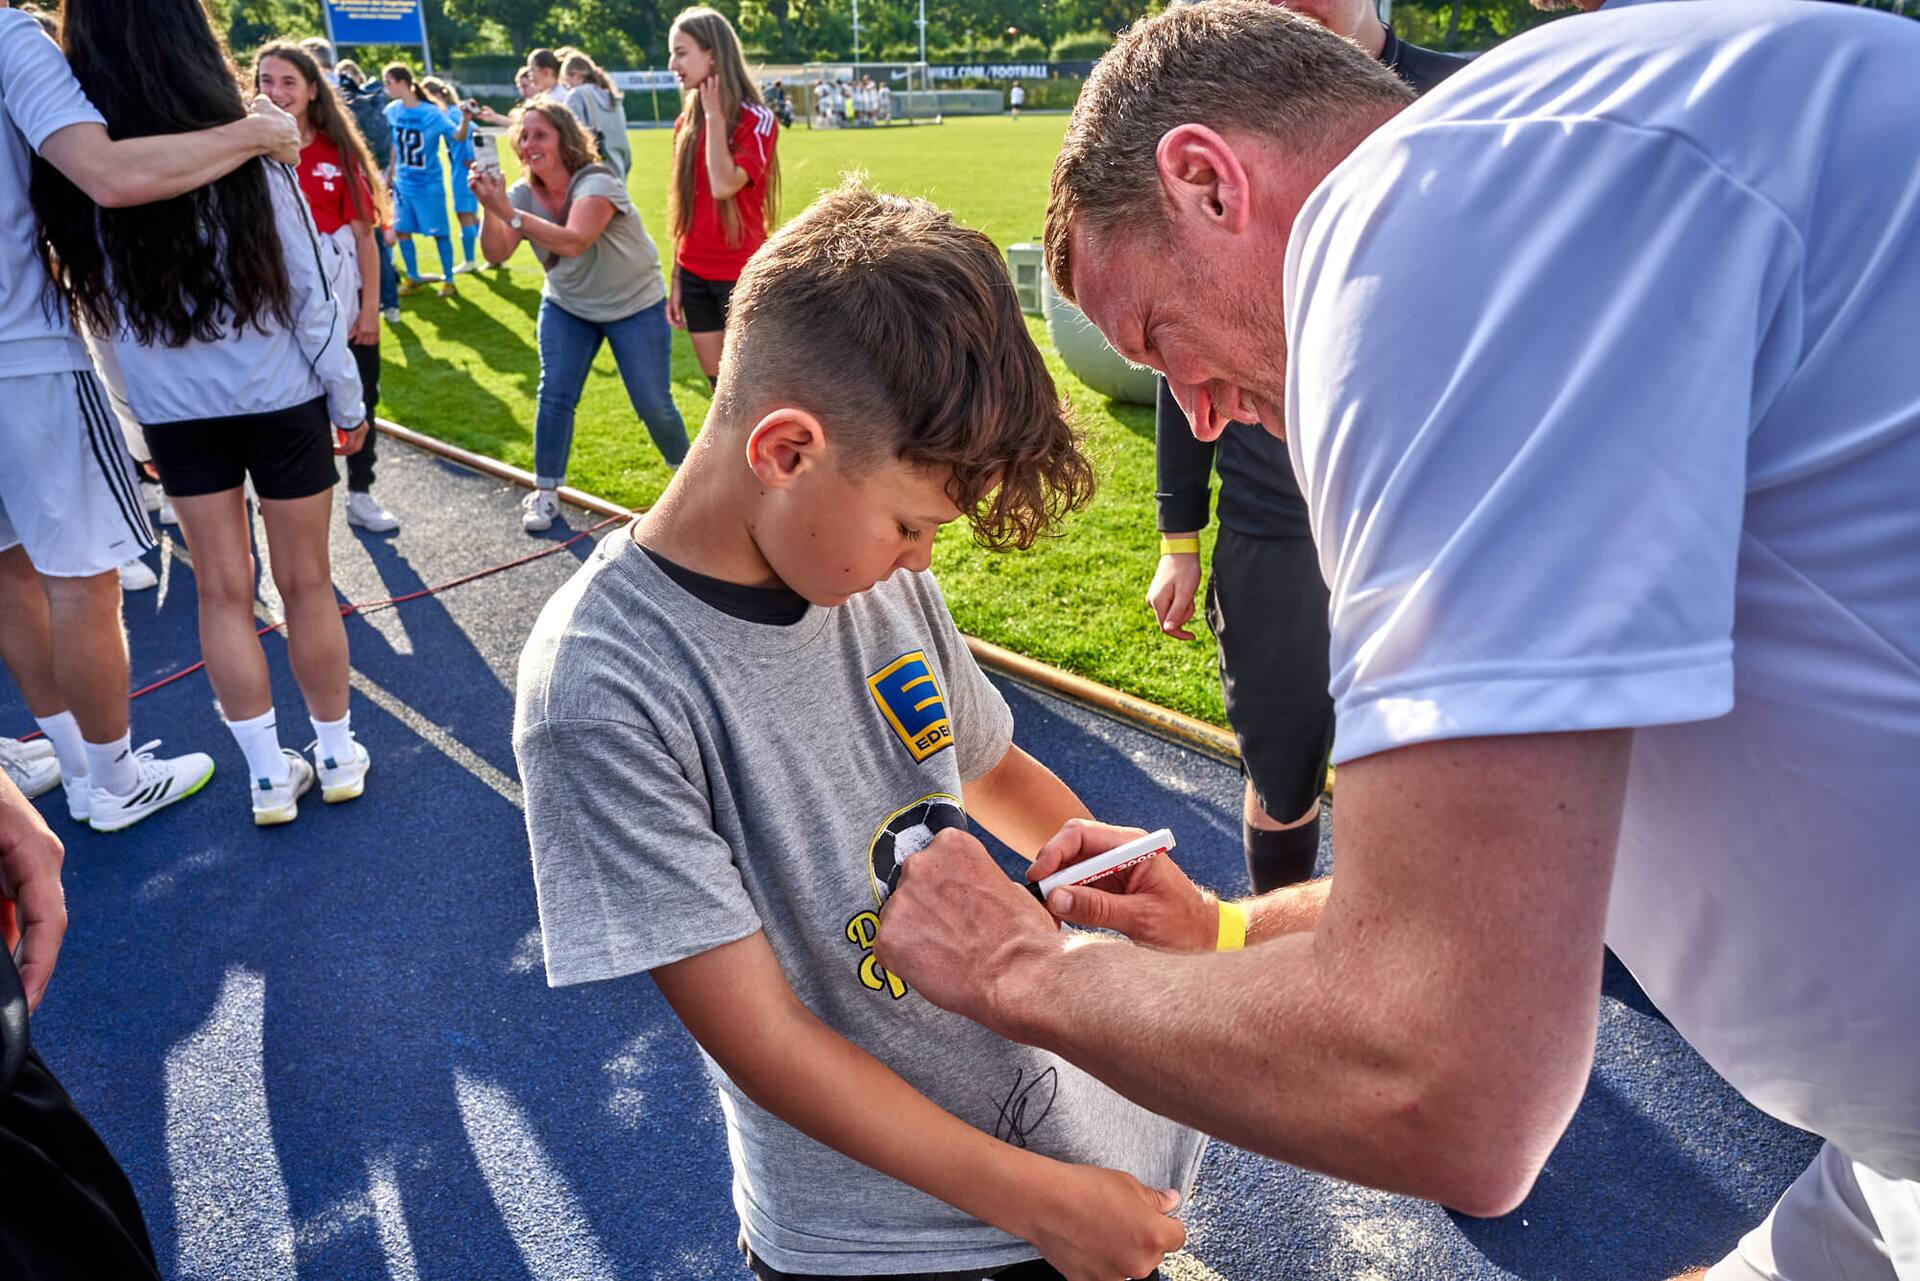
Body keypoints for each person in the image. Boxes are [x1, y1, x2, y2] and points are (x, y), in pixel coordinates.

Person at [878, 2, 1920, 1276]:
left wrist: (1018, 973)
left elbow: (1452, 1080)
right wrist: (1219, 934)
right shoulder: (1540, 179)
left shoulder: (1414, 220)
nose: (1197, 416)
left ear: (1208, 180)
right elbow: (1505, 869)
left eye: (1162, 341)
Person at [514, 180, 1189, 1281]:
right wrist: (1044, 1206)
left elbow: (988, 766)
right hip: (879, 1243)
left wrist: (1099, 869)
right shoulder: (602, 690)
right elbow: (766, 1042)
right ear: (785, 451)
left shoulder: (863, 574)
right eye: (913, 524)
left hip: (1058, 1150)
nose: (923, 559)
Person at [1146, 0, 1471, 894]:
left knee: (1440, 771)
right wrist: (1180, 536)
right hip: (1277, 524)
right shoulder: (1212, 130)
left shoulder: (1473, 98)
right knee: (1282, 767)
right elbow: (1186, 348)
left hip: (1437, 527)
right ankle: (1277, 940)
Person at [36, 0, 375, 827]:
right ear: (194, 43)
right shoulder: (253, 151)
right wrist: (348, 396)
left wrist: (140, 417)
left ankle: (266, 773)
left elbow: (100, 323)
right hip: (281, 396)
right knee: (306, 582)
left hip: (178, 414)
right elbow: (313, 298)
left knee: (223, 591)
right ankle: (333, 750)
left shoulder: (87, 180)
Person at [472, 99, 690, 534]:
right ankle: (547, 491)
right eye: (524, 135)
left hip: (634, 302)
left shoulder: (597, 181)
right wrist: (490, 207)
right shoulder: (519, 195)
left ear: (564, 139)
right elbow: (495, 255)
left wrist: (510, 213)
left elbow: (574, 241)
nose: (529, 144)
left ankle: (690, 482)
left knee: (652, 401)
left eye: (540, 134)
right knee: (554, 393)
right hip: (569, 304)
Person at [255, 41, 404, 535]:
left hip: (344, 309)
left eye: (289, 82)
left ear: (313, 90)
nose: (276, 92)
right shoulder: (244, 150)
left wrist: (369, 311)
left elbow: (367, 239)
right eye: (266, 81)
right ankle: (294, 510)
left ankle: (361, 494)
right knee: (293, 414)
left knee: (363, 402)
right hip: (275, 314)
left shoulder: (337, 150)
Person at [664, 7, 780, 386]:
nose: (672, 64)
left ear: (712, 54)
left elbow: (723, 184)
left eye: (681, 53)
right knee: (719, 390)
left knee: (749, 389)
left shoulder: (757, 120)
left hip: (742, 273)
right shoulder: (684, 124)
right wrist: (678, 275)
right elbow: (689, 204)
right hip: (695, 273)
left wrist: (714, 118)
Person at [315, 47, 401, 324]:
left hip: (347, 182)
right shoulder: (356, 94)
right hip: (369, 177)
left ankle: (374, 307)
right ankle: (387, 305)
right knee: (374, 241)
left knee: (369, 240)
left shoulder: (330, 102)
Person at [382, 62, 465, 299]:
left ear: (402, 83)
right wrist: (390, 172)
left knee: (440, 233)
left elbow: (457, 136)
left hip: (428, 184)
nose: (387, 88)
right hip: (403, 183)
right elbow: (395, 145)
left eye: (389, 82)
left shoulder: (431, 113)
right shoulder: (393, 110)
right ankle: (413, 276)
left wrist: (466, 119)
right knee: (401, 230)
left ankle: (449, 279)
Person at [420, 76, 481, 274]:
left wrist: (471, 157)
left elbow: (471, 131)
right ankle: (492, 254)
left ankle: (470, 260)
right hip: (465, 167)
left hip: (463, 169)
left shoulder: (450, 115)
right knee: (472, 215)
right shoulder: (453, 112)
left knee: (464, 214)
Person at [559, 51, 632, 182]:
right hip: (619, 174)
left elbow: (571, 140)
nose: (566, 87)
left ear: (575, 75)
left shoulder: (576, 95)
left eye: (566, 81)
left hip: (591, 177)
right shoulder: (612, 97)